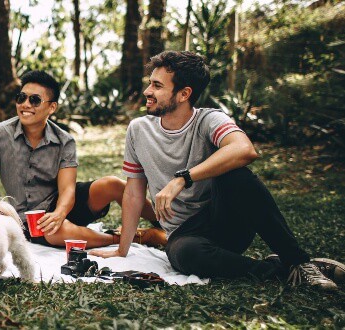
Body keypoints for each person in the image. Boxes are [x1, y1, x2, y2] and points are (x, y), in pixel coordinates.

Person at [90, 50, 343, 291]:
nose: (147, 91)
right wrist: (122, 250)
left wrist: (183, 179)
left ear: (183, 94)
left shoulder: (209, 120)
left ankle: (298, 261)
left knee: (237, 175)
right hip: (184, 235)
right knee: (185, 255)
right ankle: (281, 269)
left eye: (157, 86)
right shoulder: (138, 130)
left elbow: (245, 150)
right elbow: (134, 194)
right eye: (150, 83)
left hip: (226, 222)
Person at [0, 70, 165, 248]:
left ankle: (165, 225)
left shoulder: (64, 141)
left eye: (34, 100)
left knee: (113, 184)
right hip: (28, 219)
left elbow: (67, 189)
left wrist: (59, 213)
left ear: (52, 107)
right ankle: (134, 237)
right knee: (55, 231)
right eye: (21, 98)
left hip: (63, 204)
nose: (25, 104)